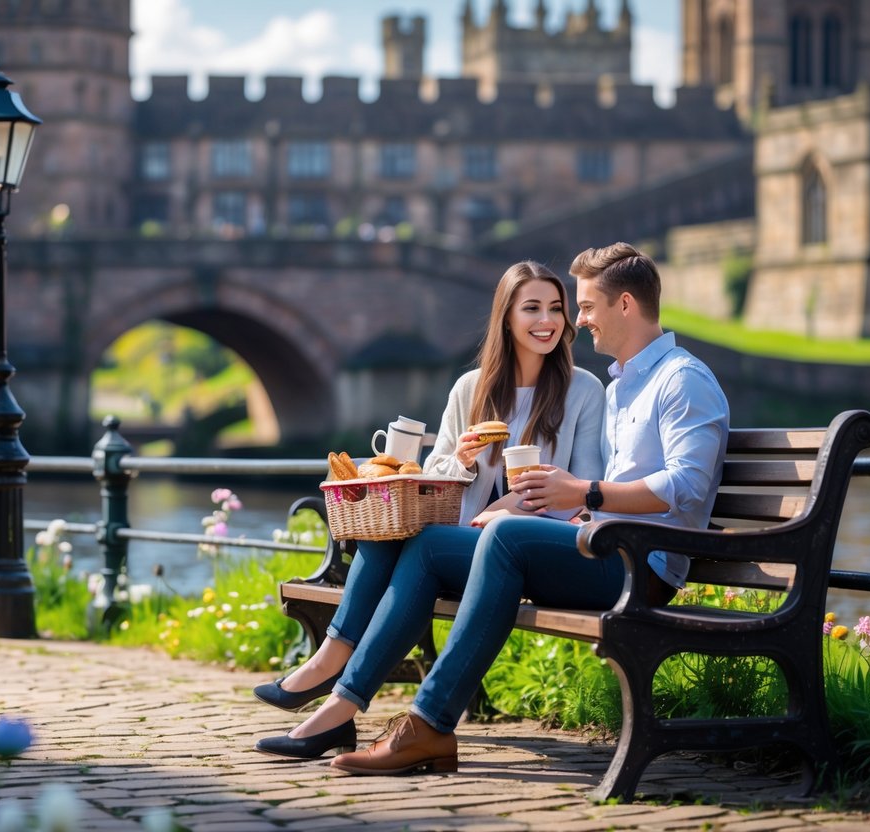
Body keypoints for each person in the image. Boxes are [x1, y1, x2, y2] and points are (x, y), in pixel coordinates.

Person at [256, 242, 730, 773]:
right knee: (430, 543)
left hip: (641, 564)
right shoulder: (624, 385)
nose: (577, 320)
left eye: (585, 306)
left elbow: (685, 484)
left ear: (624, 305)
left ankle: (429, 722)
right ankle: (344, 705)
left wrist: (582, 494)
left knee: (505, 536)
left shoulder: (679, 380)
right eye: (558, 307)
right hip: (599, 545)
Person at [252, 260, 606, 758]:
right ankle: (333, 677)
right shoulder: (472, 388)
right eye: (531, 308)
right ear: (506, 317)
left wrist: (513, 506)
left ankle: (333, 689)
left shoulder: (583, 391)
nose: (546, 320)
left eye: (555, 308)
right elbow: (433, 479)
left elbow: (580, 493)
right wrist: (459, 460)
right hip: (464, 538)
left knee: (422, 544)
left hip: (522, 546)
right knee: (385, 535)